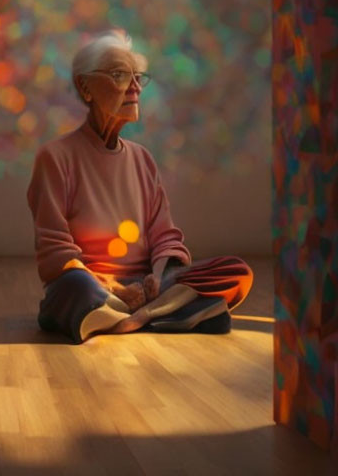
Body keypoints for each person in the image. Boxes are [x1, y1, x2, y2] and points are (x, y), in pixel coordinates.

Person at [27, 29, 253, 342]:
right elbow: (55, 252)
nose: (134, 87)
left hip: (145, 287)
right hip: (90, 283)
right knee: (75, 289)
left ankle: (137, 316)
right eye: (120, 75)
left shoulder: (142, 159)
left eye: (137, 77)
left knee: (236, 270)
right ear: (85, 86)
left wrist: (158, 279)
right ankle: (171, 312)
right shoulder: (54, 156)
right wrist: (114, 286)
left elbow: (165, 236)